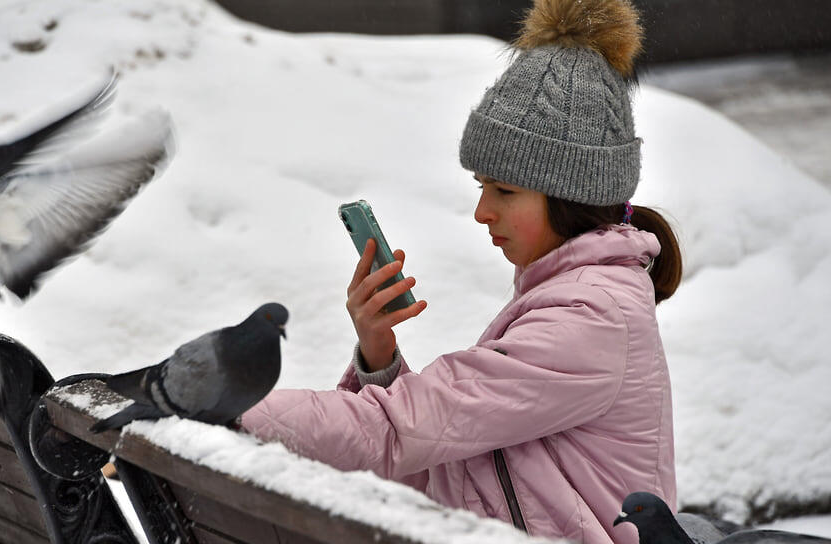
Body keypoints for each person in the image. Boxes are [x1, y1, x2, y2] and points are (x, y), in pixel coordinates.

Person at [241, 0, 681, 542]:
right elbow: (449, 459)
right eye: (481, 187)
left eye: (505, 190)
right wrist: (379, 358)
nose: (482, 211)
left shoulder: (590, 318)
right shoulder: (568, 298)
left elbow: (396, 431)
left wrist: (220, 410)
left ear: (572, 196)